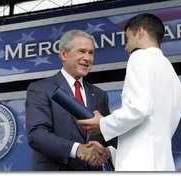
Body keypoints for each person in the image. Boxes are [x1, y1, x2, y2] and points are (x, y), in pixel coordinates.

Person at [78, 13, 181, 171]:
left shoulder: (139, 57)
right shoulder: (170, 72)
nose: (126, 47)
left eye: (127, 39)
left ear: (140, 32)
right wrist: (111, 151)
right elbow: (152, 129)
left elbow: (139, 109)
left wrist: (103, 124)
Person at [26, 29, 116, 171]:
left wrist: (104, 151)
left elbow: (108, 134)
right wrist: (77, 149)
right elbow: (36, 134)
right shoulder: (41, 89)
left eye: (91, 53)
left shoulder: (99, 95)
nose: (88, 58)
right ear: (63, 54)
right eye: (82, 51)